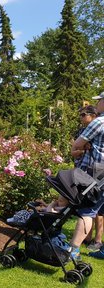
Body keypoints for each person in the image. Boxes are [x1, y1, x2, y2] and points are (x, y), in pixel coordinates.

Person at [71, 92, 104, 259]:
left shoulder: (99, 121)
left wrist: (84, 145)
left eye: (99, 101)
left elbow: (77, 144)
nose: (97, 103)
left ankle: (73, 250)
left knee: (87, 211)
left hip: (98, 171)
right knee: (100, 210)